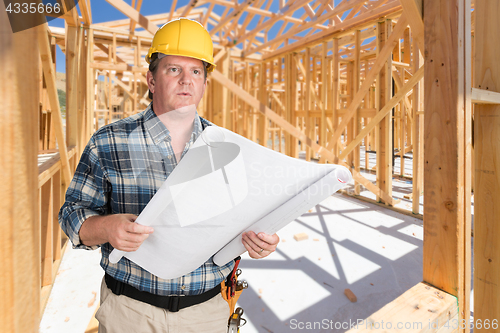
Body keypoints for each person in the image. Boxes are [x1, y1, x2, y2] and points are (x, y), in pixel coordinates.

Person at [59, 18, 279, 333]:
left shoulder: (230, 149)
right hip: (130, 313)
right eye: (173, 69)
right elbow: (72, 216)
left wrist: (257, 240)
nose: (186, 81)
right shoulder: (109, 142)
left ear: (205, 83)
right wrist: (106, 228)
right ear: (151, 80)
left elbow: (240, 224)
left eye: (196, 72)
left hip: (206, 314)